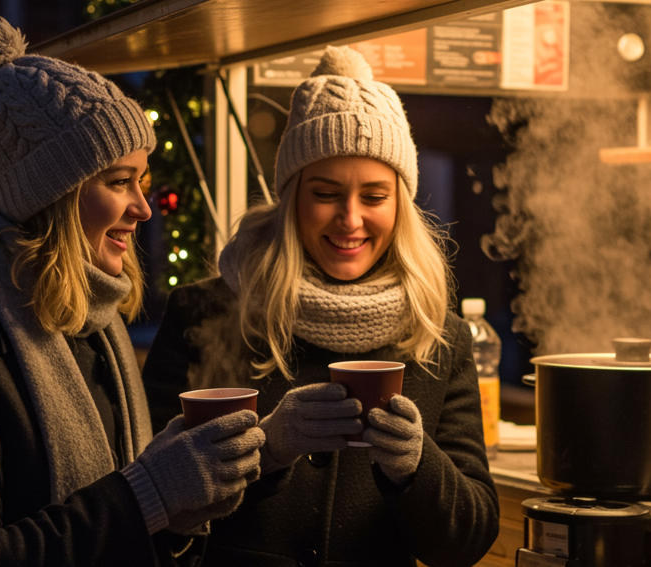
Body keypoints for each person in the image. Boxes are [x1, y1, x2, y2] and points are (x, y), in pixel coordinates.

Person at [0, 16, 264, 567]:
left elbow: (124, 526)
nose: (142, 209)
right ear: (48, 195)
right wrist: (149, 493)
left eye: (141, 183)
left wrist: (177, 517)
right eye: (120, 182)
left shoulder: (94, 320)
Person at [142, 45, 500, 567]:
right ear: (291, 199)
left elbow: (465, 542)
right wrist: (266, 450)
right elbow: (148, 500)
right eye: (326, 193)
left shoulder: (436, 336)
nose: (350, 219)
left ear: (401, 206)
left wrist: (417, 468)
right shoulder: (206, 313)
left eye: (374, 196)